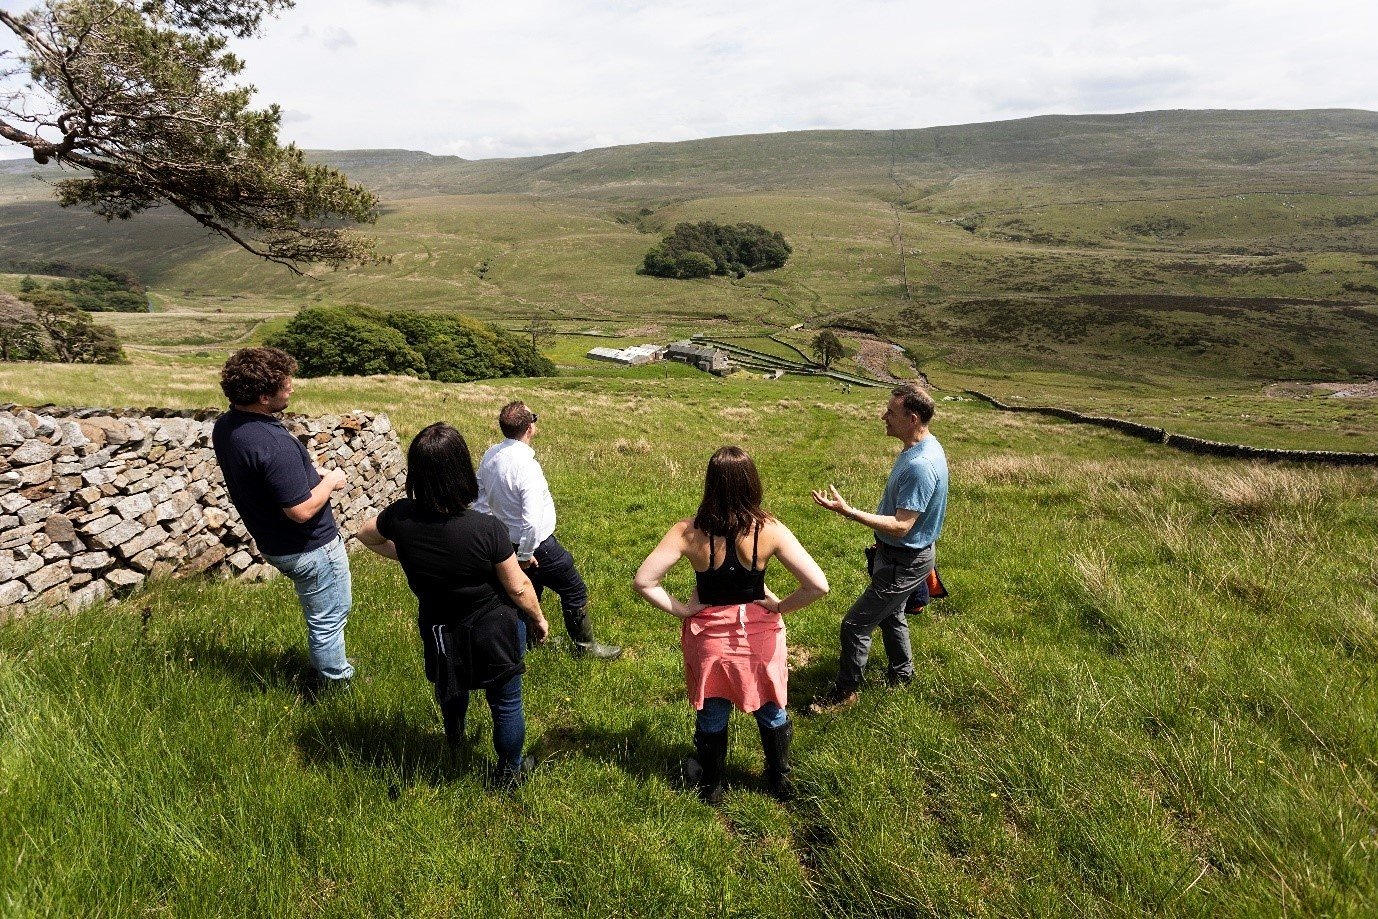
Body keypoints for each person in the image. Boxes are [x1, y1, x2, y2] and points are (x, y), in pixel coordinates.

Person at [357, 423, 550, 785]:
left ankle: (455, 737)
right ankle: (510, 772)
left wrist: (408, 554)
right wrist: (538, 619)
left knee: (451, 684)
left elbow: (365, 535)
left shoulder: (400, 516)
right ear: (462, 469)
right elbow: (518, 586)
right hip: (492, 628)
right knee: (506, 702)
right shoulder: (486, 529)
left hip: (439, 625)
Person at [634, 446, 828, 803]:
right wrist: (779, 606)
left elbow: (644, 581)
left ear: (710, 483)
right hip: (760, 637)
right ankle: (778, 779)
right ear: (752, 483)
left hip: (710, 638)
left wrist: (683, 610)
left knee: (712, 709)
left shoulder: (687, 531)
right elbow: (818, 585)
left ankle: (712, 786)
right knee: (772, 706)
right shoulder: (769, 529)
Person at [212, 346, 353, 694]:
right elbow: (300, 510)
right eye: (285, 386)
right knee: (328, 620)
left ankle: (329, 667)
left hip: (274, 542)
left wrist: (310, 474)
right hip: (311, 548)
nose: (291, 389)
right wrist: (331, 481)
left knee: (324, 617)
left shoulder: (227, 426)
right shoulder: (273, 442)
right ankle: (335, 684)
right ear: (263, 397)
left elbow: (265, 478)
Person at [809, 382, 948, 712]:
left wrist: (848, 512)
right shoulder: (924, 447)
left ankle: (845, 693)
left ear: (912, 419)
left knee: (855, 626)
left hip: (904, 559)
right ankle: (903, 675)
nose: (883, 416)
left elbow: (902, 526)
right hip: (904, 556)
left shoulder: (920, 465)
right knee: (891, 615)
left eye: (891, 412)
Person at [472, 401, 621, 660]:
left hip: (506, 543)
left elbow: (479, 499)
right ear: (529, 428)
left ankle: (529, 640)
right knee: (573, 588)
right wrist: (525, 555)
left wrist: (496, 533)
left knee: (530, 589)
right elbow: (531, 520)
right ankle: (586, 648)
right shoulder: (527, 467)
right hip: (537, 547)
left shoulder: (491, 455)